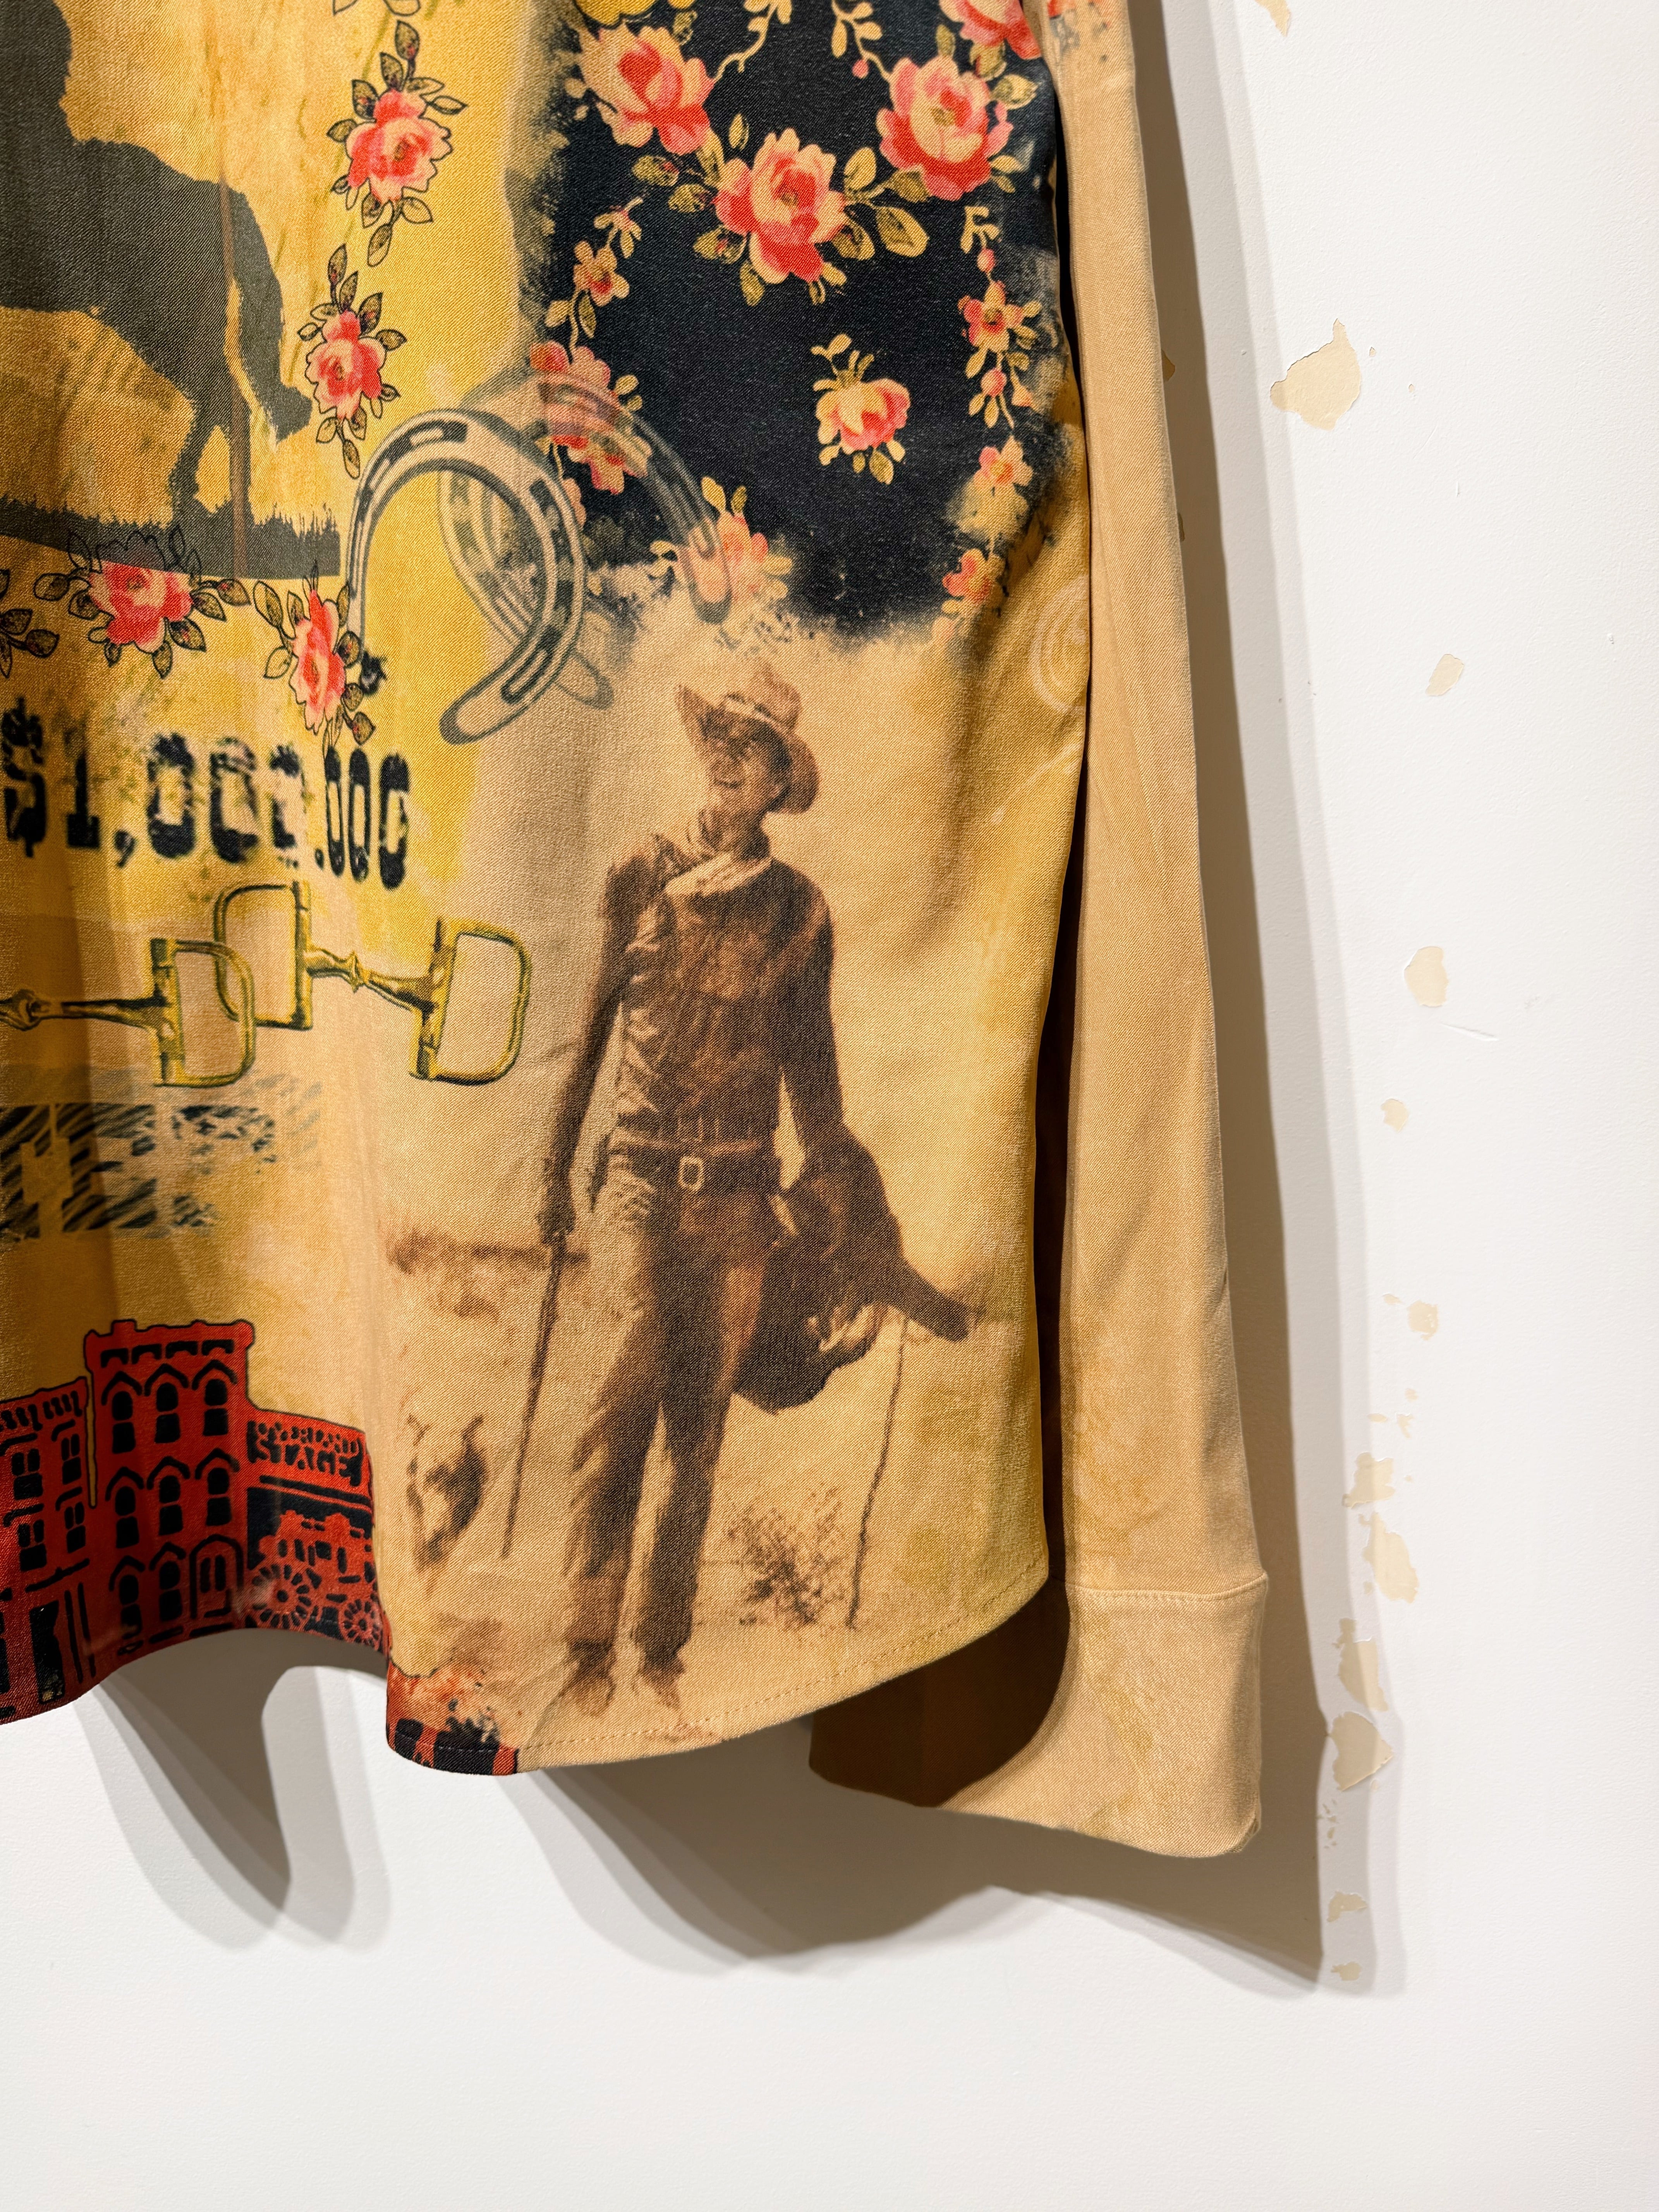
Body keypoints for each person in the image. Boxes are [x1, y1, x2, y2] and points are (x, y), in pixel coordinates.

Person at [538, 666, 848, 1707]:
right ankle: (585, 1648)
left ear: (778, 784)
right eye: (718, 736)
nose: (727, 757)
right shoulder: (639, 872)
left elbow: (813, 1067)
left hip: (739, 1199)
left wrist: (831, 1185)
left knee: (697, 1435)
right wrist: (552, 1171)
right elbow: (589, 1031)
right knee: (618, 1408)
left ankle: (660, 1654)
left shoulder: (799, 912)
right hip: (637, 1182)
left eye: (751, 748)